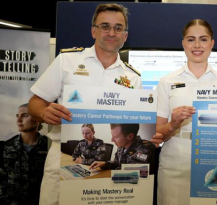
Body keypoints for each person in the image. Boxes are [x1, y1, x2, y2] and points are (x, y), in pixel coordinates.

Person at [27, 4, 143, 205]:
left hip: (105, 165)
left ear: (125, 35)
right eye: (105, 26)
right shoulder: (67, 61)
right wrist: (44, 112)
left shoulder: (133, 78)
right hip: (62, 157)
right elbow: (35, 103)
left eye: (118, 28)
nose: (111, 32)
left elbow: (135, 123)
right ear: (93, 30)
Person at [151, 19, 217, 205]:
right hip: (174, 162)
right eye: (191, 39)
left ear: (212, 43)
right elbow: (157, 134)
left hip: (214, 161)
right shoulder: (167, 82)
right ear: (183, 43)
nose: (197, 45)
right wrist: (173, 123)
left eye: (203, 39)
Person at [0, 103, 48, 205]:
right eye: (17, 116)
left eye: (25, 115)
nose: (19, 120)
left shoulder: (49, 147)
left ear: (37, 120)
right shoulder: (6, 147)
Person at [90, 124, 155, 171]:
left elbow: (131, 175)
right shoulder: (122, 146)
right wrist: (104, 164)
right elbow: (117, 163)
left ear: (129, 136)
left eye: (115, 137)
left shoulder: (144, 149)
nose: (112, 140)